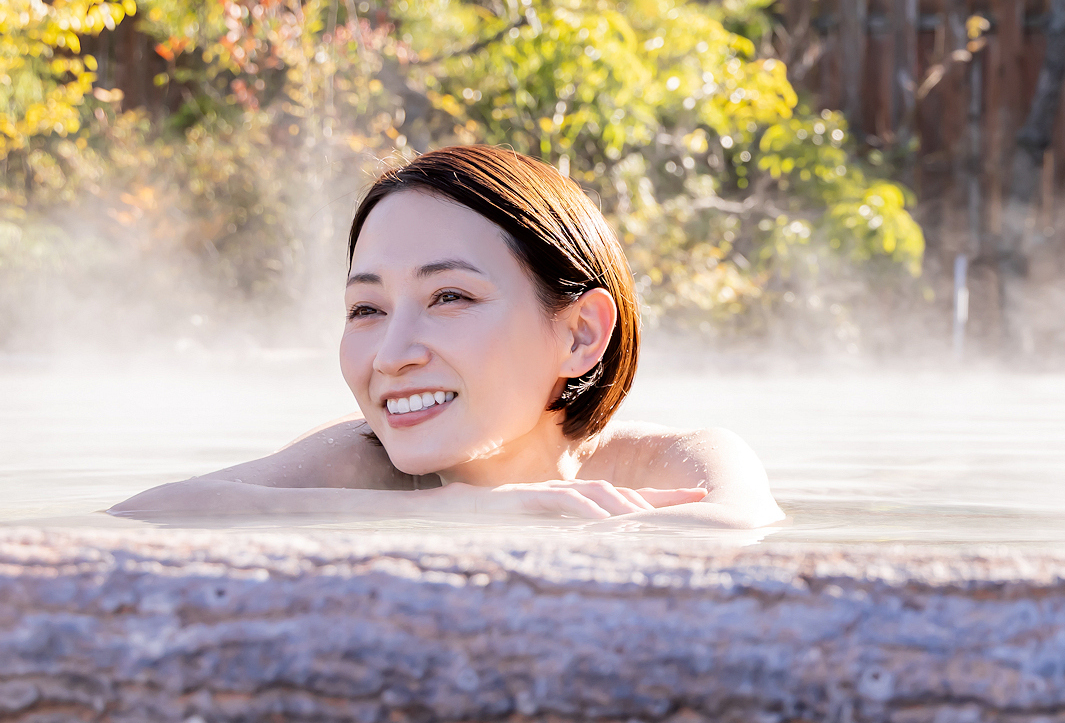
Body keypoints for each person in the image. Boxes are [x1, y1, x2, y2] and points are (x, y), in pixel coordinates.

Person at [112, 145, 785, 527]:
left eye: (449, 296)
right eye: (366, 308)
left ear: (581, 332)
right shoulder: (361, 463)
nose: (393, 353)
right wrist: (457, 510)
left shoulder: (670, 463)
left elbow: (736, 530)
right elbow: (145, 515)